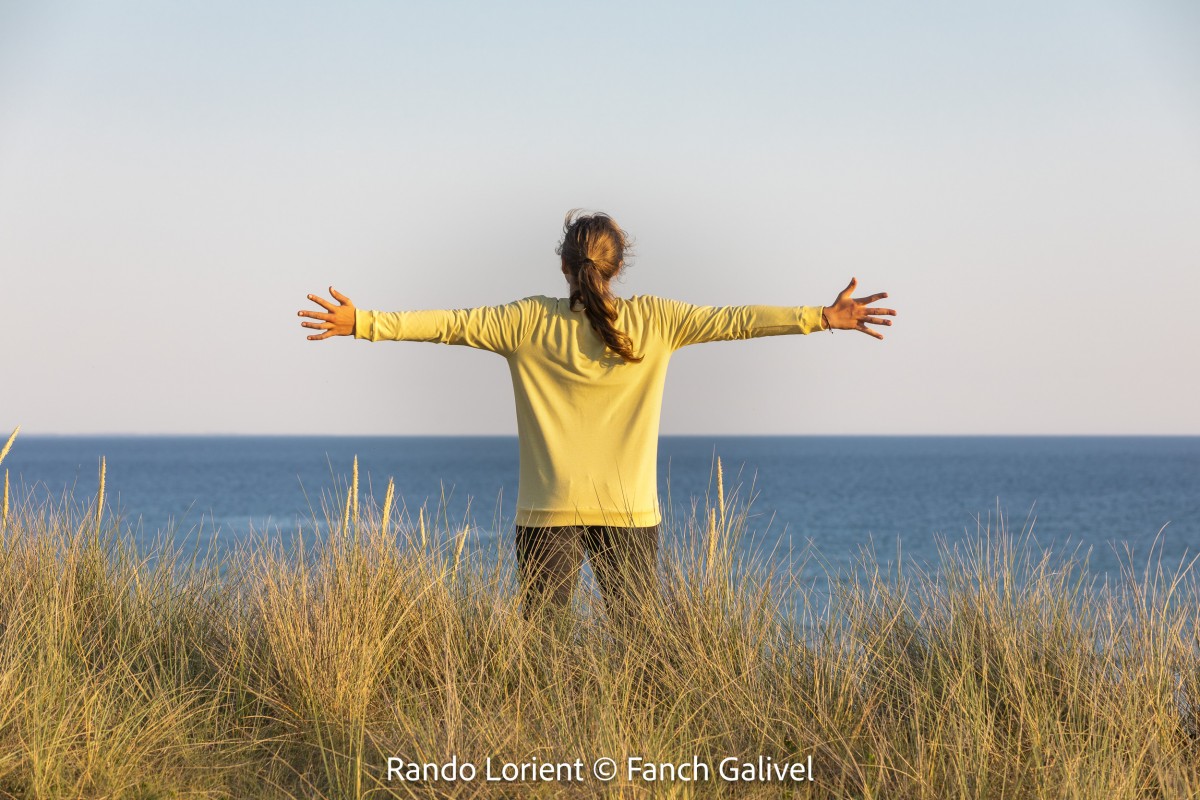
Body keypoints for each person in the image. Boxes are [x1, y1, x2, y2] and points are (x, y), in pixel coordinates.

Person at [298, 210, 895, 630]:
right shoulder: (657, 320)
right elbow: (737, 319)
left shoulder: (526, 321)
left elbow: (446, 323)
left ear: (565, 266)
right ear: (618, 267)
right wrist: (821, 316)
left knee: (541, 661)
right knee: (643, 653)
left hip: (547, 511)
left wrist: (364, 322)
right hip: (629, 512)